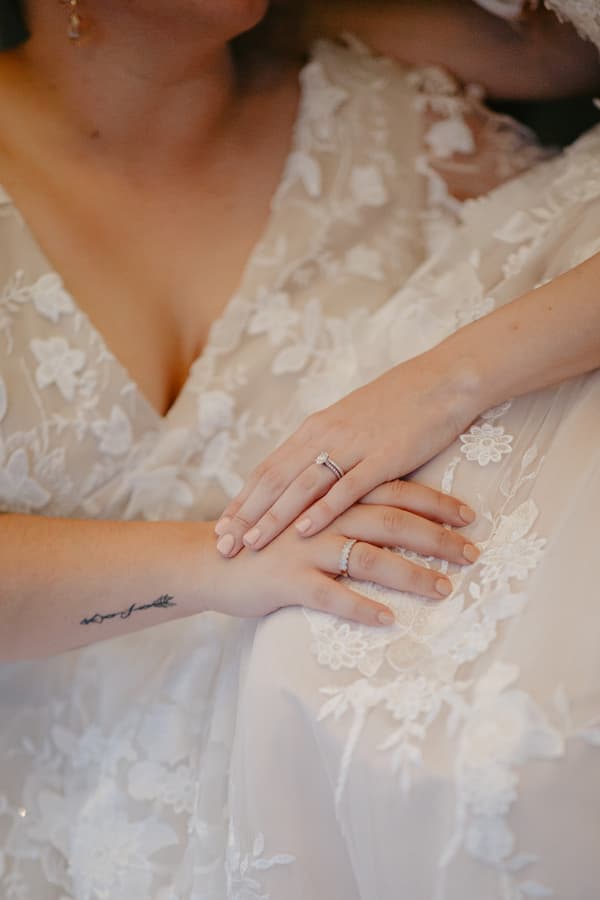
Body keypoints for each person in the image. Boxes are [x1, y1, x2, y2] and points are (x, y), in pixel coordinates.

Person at [0, 1, 598, 898]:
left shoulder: (393, 127)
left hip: (344, 793)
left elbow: (557, 54)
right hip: (68, 837)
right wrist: (219, 561)